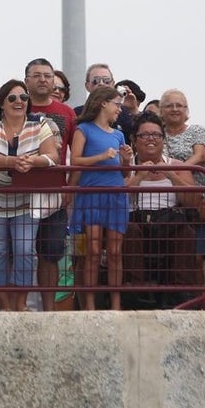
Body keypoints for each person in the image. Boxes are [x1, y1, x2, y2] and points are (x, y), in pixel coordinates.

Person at [0, 80, 58, 311]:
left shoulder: (40, 123)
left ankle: (20, 303)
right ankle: (4, 303)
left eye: (23, 98)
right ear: (2, 102)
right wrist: (13, 161)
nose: (19, 102)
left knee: (24, 249)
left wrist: (33, 161)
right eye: (12, 98)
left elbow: (52, 155)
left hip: (25, 200)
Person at [122, 112, 203, 307]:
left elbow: (193, 201)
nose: (151, 139)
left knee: (186, 233)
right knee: (129, 231)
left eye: (156, 135)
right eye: (145, 135)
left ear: (163, 139)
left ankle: (181, 296)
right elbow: (121, 198)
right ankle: (137, 294)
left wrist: (172, 176)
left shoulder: (176, 165)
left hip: (169, 222)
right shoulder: (127, 167)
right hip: (137, 221)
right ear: (134, 140)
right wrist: (140, 176)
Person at [70, 85, 134, 310]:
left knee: (115, 252)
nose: (119, 109)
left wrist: (127, 160)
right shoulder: (83, 129)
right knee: (93, 251)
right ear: (102, 103)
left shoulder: (118, 134)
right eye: (116, 104)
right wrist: (100, 156)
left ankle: (116, 305)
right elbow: (75, 160)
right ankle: (90, 306)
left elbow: (125, 172)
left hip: (115, 196)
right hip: (91, 195)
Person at [24, 58, 77, 311]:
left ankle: (48, 311)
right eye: (37, 75)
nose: (43, 79)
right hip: (20, 192)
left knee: (51, 253)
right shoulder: (15, 106)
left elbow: (75, 154)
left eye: (47, 75)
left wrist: (70, 188)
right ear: (27, 80)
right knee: (21, 253)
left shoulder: (67, 113)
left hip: (55, 192)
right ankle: (20, 307)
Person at [73, 64, 135, 139]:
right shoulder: (77, 113)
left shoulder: (123, 112)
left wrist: (134, 110)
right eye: (96, 81)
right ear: (87, 86)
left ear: (113, 84)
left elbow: (137, 137)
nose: (101, 84)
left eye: (106, 80)